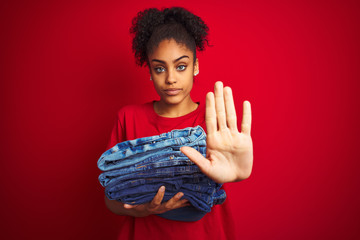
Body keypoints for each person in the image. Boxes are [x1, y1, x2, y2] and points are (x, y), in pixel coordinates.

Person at [103, 7, 253, 239]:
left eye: (181, 66)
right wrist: (143, 210)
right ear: (150, 72)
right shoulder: (129, 118)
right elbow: (111, 197)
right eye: (160, 68)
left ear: (195, 66)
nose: (171, 78)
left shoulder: (213, 121)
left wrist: (238, 174)